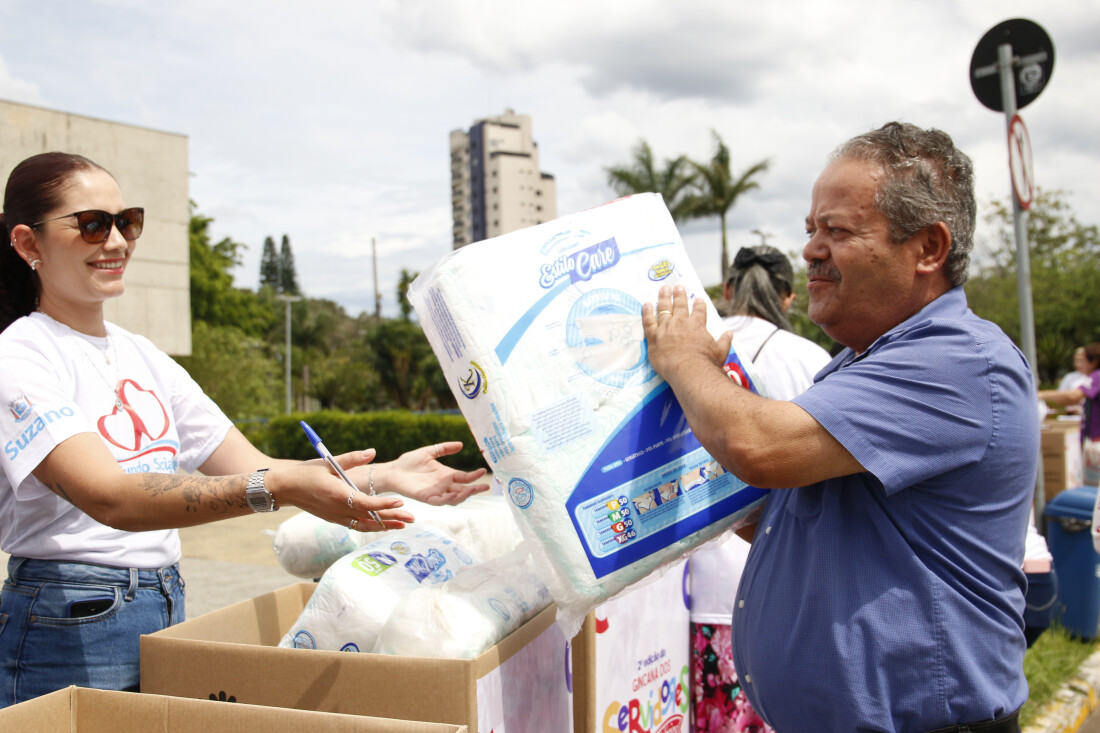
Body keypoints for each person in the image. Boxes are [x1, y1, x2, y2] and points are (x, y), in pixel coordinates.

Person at [0, 151, 489, 707]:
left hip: (161, 603)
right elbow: (111, 498)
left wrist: (384, 476)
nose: (116, 242)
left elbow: (256, 467)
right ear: (28, 244)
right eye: (92, 224)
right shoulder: (20, 357)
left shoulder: (142, 355)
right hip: (66, 618)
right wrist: (278, 489)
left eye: (126, 221)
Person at [644, 123, 1036, 732]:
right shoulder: (857, 362)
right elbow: (800, 517)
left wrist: (686, 363)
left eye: (838, 231)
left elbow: (758, 448)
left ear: (928, 248)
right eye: (810, 230)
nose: (809, 252)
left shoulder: (956, 361)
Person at [689, 245, 829, 732]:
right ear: (789, 297)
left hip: (692, 584)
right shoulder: (813, 359)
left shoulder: (694, 350)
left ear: (727, 291)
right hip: (781, 583)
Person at [1039, 343, 1100, 486]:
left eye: (1083, 360)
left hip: (1097, 440)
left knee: (1094, 488)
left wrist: (1040, 394)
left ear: (1093, 361)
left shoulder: (1097, 376)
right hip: (1093, 439)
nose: (1079, 364)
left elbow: (1073, 396)